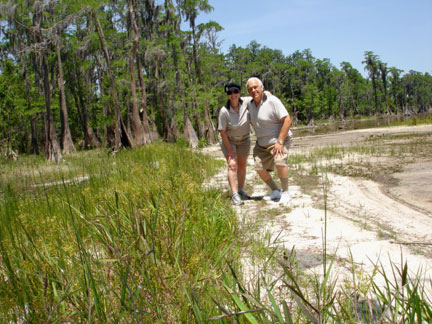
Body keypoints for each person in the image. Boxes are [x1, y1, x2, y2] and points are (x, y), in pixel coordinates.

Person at [246, 77, 292, 204]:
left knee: (280, 161)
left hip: (278, 140)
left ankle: (286, 192)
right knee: (259, 166)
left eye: (256, 87)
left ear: (262, 87)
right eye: (250, 88)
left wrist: (280, 141)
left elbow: (287, 120)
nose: (254, 90)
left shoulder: (273, 101)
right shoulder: (249, 104)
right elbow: (235, 99)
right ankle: (275, 191)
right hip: (261, 144)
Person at [218, 82, 251, 205]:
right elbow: (222, 132)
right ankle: (234, 195)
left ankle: (241, 190)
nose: (233, 95)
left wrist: (268, 95)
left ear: (239, 93)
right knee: (232, 165)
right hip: (229, 139)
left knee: (242, 165)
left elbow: (259, 95)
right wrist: (229, 150)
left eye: (235, 91)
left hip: (244, 139)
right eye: (230, 92)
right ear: (227, 95)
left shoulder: (247, 102)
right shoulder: (224, 111)